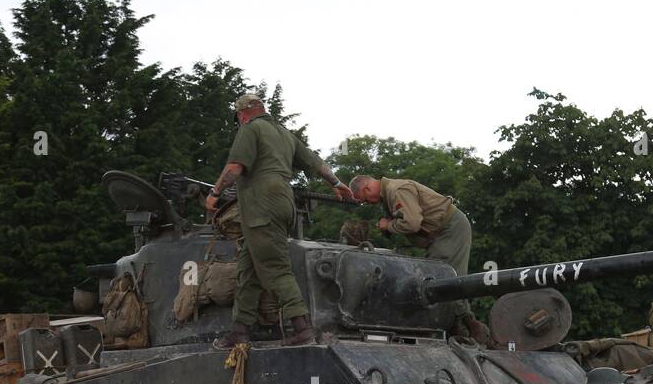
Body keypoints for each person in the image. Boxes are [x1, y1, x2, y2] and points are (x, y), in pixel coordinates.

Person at [205, 94, 354, 349]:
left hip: (261, 204)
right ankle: (240, 332)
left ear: (242, 114)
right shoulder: (284, 134)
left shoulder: (250, 128)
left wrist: (215, 193)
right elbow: (314, 161)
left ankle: (303, 329)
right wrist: (337, 183)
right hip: (283, 202)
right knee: (248, 270)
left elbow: (235, 167)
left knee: (276, 268)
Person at [349, 174, 492, 346]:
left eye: (365, 199)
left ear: (367, 188)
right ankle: (461, 326)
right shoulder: (390, 195)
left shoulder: (396, 190)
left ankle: (470, 325)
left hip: (450, 229)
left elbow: (413, 223)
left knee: (441, 279)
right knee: (440, 281)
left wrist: (388, 225)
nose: (368, 203)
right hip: (442, 233)